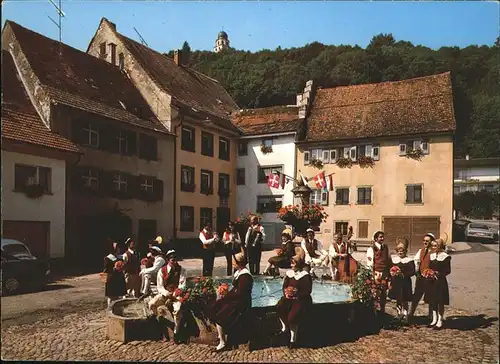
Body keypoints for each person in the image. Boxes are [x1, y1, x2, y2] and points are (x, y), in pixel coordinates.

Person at [210, 250, 253, 352]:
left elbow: (241, 293)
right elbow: (235, 289)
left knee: (220, 315)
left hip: (241, 303)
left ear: (239, 263)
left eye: (234, 262)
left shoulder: (245, 276)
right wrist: (225, 292)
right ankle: (222, 336)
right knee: (214, 306)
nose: (233, 263)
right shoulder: (239, 272)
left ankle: (223, 343)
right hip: (235, 299)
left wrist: (226, 295)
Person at [148, 250, 187, 343]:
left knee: (177, 310)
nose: (173, 261)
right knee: (152, 304)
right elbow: (160, 286)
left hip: (176, 295)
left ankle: (176, 332)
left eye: (175, 259)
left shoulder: (182, 270)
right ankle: (162, 322)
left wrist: (173, 295)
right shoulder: (162, 271)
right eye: (171, 259)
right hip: (165, 294)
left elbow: (182, 285)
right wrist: (166, 294)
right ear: (168, 260)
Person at [275, 256, 313, 349]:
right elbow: (285, 286)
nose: (291, 265)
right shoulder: (289, 274)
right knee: (279, 306)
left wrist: (296, 294)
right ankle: (285, 327)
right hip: (289, 298)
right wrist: (286, 293)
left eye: (293, 263)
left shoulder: (305, 275)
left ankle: (293, 339)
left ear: (299, 264)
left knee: (293, 316)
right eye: (291, 263)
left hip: (301, 299)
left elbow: (307, 290)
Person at [424, 238, 451, 329]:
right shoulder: (431, 255)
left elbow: (447, 271)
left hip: (440, 282)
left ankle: (440, 320)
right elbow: (429, 267)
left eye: (435, 246)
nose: (434, 247)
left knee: (440, 301)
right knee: (433, 301)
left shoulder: (445, 256)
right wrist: (428, 272)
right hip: (431, 281)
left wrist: (438, 273)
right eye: (433, 246)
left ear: (440, 246)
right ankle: (434, 319)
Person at [408, 233, 434, 324]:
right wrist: (416, 272)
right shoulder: (421, 250)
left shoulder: (434, 252)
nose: (425, 242)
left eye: (427, 241)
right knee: (416, 296)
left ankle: (431, 316)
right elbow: (416, 261)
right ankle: (411, 313)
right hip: (421, 277)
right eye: (424, 241)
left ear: (431, 242)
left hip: (430, 278)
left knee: (431, 297)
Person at [388, 238, 415, 322]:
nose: (400, 253)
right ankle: (399, 314)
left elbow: (412, 272)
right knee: (398, 299)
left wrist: (402, 273)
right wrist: (392, 273)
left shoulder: (409, 260)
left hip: (405, 282)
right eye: (398, 251)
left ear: (405, 251)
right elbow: (390, 269)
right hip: (396, 282)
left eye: (402, 251)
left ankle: (406, 314)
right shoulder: (394, 259)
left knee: (404, 299)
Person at [366, 231, 390, 314]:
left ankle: (382, 310)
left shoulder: (386, 247)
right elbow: (369, 263)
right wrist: (371, 275)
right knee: (375, 293)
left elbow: (388, 260)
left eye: (383, 237)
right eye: (380, 237)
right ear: (376, 238)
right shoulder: (371, 249)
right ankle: (374, 311)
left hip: (384, 273)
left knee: (384, 292)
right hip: (376, 273)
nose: (382, 238)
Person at [103, 240, 126, 306]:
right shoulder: (108, 258)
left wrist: (122, 268)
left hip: (119, 278)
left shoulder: (120, 258)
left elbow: (123, 267)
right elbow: (106, 270)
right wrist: (114, 268)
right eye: (117, 248)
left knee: (119, 296)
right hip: (111, 279)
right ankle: (110, 309)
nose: (119, 249)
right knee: (111, 296)